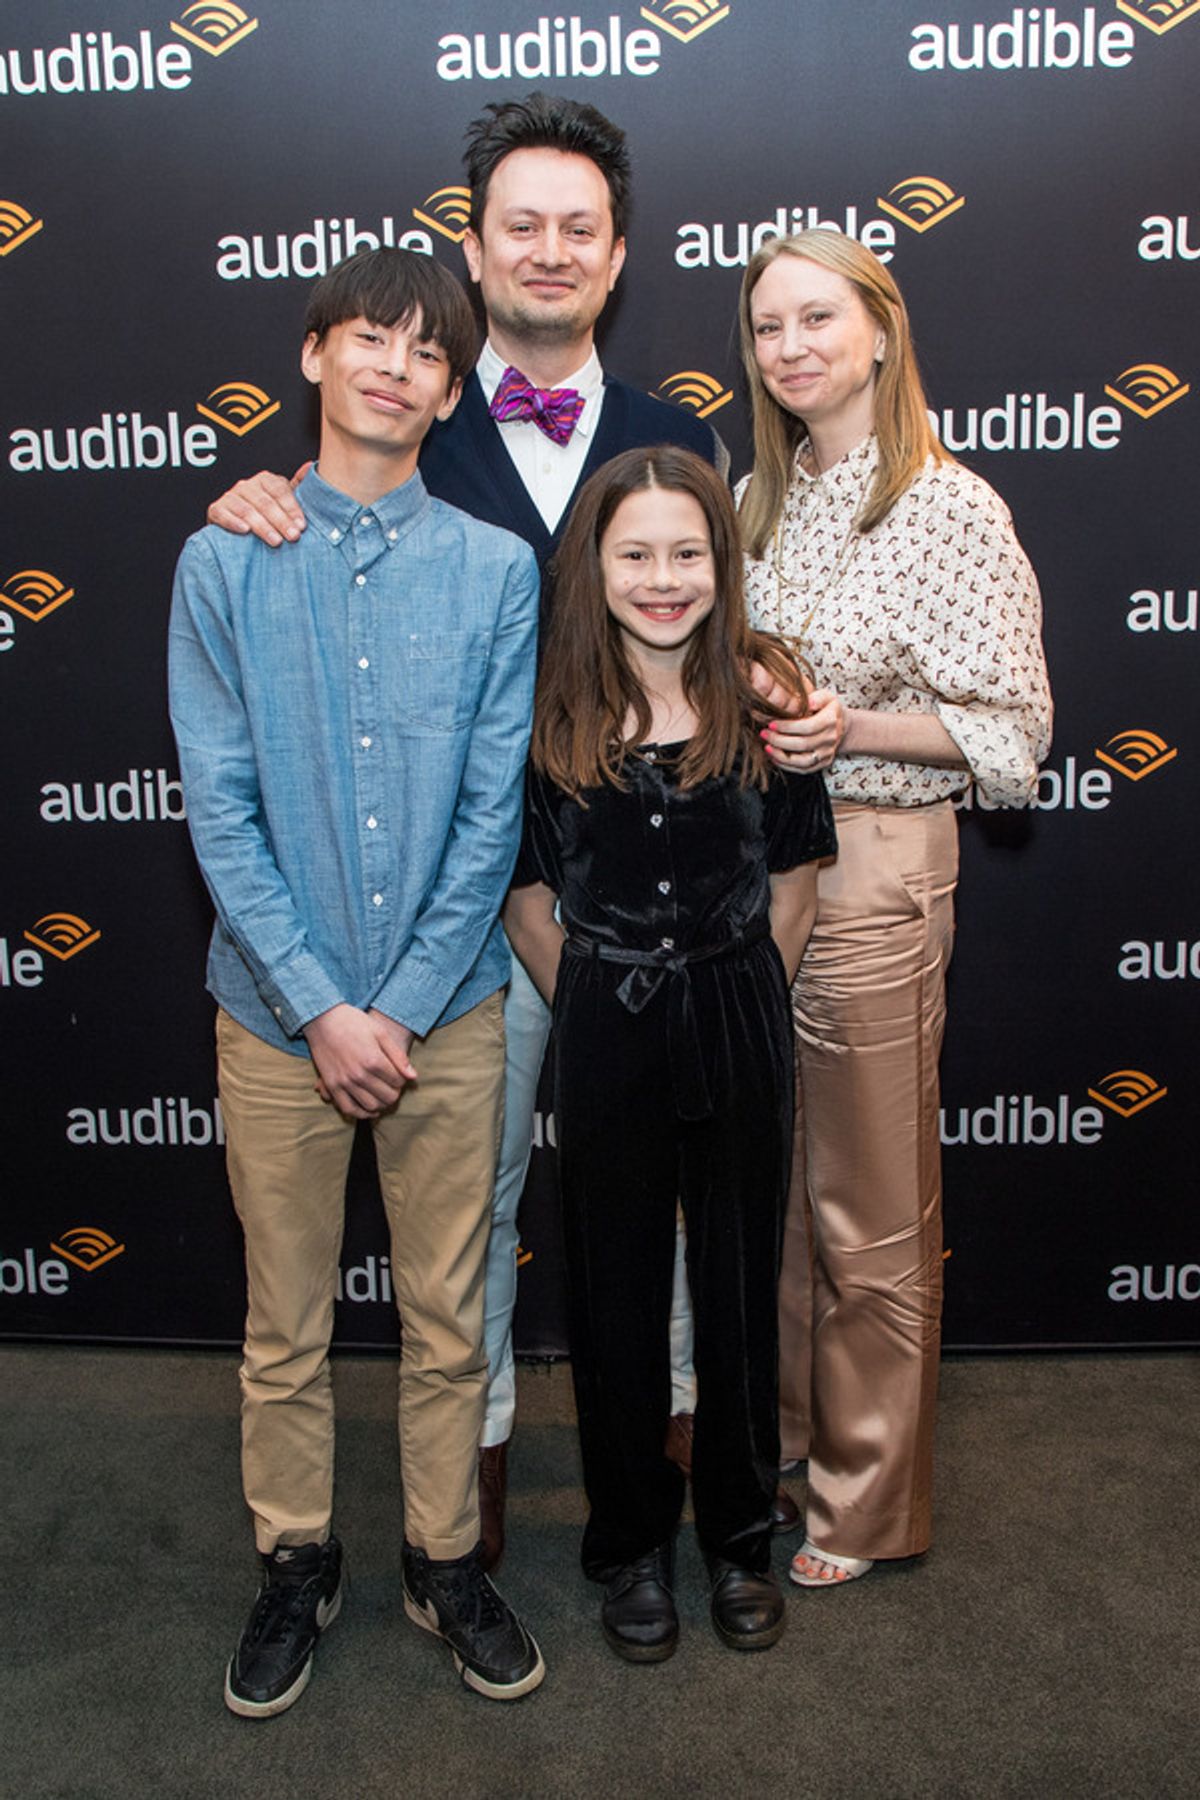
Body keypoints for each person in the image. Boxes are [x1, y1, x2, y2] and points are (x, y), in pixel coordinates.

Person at [203, 93, 764, 1570]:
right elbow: (287, 542)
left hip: (635, 900)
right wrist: (252, 492)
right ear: (475, 243)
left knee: (675, 1212)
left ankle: (675, 1491)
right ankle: (475, 1520)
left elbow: (720, 643)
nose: (553, 249)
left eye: (582, 227)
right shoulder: (401, 413)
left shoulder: (672, 432)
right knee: (479, 1225)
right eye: (523, 223)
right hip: (451, 921)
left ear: (622, 253)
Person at [169, 247, 544, 1713]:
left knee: (455, 1315)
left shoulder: (497, 571)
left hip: (449, 1013)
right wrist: (323, 1003)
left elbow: (489, 818)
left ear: (452, 391)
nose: (396, 365)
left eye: (427, 353)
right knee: (286, 1321)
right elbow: (221, 804)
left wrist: (396, 1003)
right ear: (316, 354)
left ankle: (443, 1560)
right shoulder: (223, 559)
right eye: (368, 338)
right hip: (274, 1018)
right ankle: (297, 1560)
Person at [737, 230, 1052, 1586]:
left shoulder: (945, 505)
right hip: (762, 875)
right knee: (778, 1199)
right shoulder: (755, 496)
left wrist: (847, 723)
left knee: (867, 1206)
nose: (792, 347)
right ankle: (796, 1451)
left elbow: (1019, 734)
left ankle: (865, 1504)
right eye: (766, 328)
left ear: (879, 330)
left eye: (817, 318)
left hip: (876, 860)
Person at [504, 445, 836, 1660]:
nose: (663, 579)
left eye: (687, 554)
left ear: (721, 563)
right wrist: (602, 1005)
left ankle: (740, 1537)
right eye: (635, 554)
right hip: (606, 1022)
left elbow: (796, 881)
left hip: (740, 1009)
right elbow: (530, 898)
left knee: (744, 1284)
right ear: (593, 567)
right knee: (615, 1292)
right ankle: (631, 1541)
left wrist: (742, 993)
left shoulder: (770, 701)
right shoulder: (551, 712)